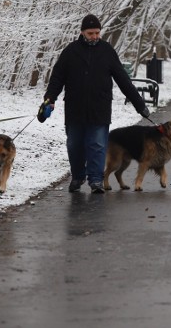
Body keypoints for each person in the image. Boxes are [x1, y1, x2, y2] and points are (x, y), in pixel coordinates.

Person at [42, 14, 151, 194]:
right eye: (90, 33)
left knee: (97, 145)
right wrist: (50, 99)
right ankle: (78, 176)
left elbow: (123, 80)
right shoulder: (71, 51)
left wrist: (139, 104)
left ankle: (96, 180)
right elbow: (57, 78)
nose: (94, 36)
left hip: (99, 108)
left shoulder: (107, 51)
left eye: (97, 33)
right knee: (74, 145)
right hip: (74, 108)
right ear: (82, 32)